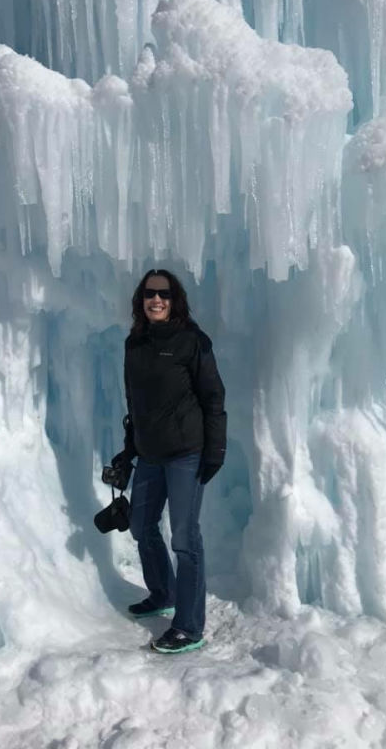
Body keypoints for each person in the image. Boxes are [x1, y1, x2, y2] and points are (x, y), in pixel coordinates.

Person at [112, 269, 227, 654]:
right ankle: (163, 592)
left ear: (175, 300)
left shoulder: (192, 341)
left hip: (185, 454)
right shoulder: (135, 344)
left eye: (163, 294)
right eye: (149, 294)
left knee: (184, 538)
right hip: (149, 454)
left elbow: (213, 397)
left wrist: (215, 450)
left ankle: (190, 627)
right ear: (140, 300)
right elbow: (135, 406)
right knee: (142, 526)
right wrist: (130, 450)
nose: (156, 300)